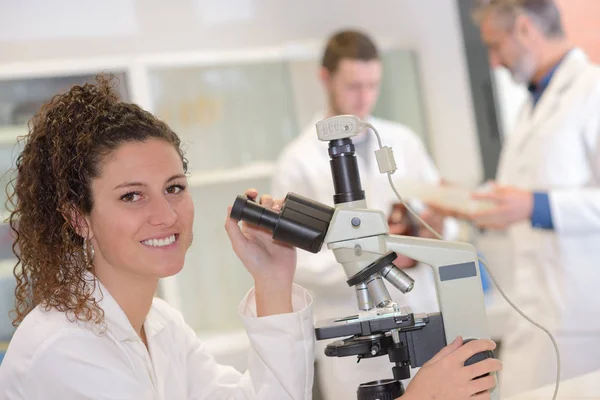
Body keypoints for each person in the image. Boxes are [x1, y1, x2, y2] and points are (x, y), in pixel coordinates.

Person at [0, 76, 501, 400]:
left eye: (174, 188)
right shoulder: (65, 350)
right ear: (77, 217)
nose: (165, 213)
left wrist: (273, 278)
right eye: (132, 196)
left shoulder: (159, 325)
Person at [271, 30, 459, 400]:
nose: (364, 97)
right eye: (354, 85)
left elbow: (443, 225)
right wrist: (384, 257)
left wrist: (438, 225)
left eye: (373, 85)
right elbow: (297, 262)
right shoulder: (296, 161)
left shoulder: (402, 141)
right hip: (353, 336)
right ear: (325, 78)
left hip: (417, 318)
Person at [433, 0, 600, 396]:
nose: (493, 61)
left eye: (495, 45)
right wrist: (465, 205)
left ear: (524, 29)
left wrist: (534, 206)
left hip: (580, 318)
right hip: (534, 312)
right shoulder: (532, 106)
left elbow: (533, 201)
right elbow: (519, 197)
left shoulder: (592, 90)